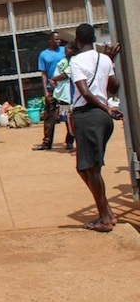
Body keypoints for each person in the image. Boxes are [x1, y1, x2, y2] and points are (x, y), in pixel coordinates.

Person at [70, 23, 120, 233]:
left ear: (77, 40)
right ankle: (106, 210)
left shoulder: (76, 61)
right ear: (93, 39)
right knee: (84, 168)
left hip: (88, 116)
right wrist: (111, 64)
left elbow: (85, 92)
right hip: (102, 119)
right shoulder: (105, 58)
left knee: (92, 169)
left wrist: (105, 108)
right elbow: (114, 86)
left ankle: (105, 219)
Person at [33, 31, 66, 151]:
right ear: (50, 40)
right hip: (51, 89)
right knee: (49, 116)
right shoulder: (43, 55)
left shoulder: (64, 51)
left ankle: (70, 141)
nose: (58, 41)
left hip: (64, 88)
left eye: (59, 39)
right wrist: (46, 91)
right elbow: (43, 73)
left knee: (67, 114)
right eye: (56, 39)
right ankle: (47, 143)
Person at [51, 42, 78, 151]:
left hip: (73, 94)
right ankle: (69, 140)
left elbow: (65, 75)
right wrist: (55, 79)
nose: (67, 51)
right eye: (66, 49)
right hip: (64, 96)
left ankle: (71, 139)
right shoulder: (62, 62)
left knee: (74, 118)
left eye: (70, 49)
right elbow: (57, 75)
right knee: (66, 118)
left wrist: (55, 79)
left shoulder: (75, 61)